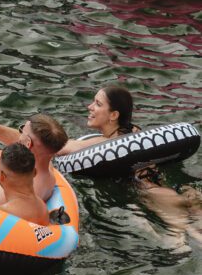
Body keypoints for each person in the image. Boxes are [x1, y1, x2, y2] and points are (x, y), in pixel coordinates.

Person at [57, 85, 202, 243]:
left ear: (113, 115)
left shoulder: (105, 143)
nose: (89, 107)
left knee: (181, 242)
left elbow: (61, 148)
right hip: (181, 191)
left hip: (156, 195)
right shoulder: (135, 131)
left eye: (97, 104)